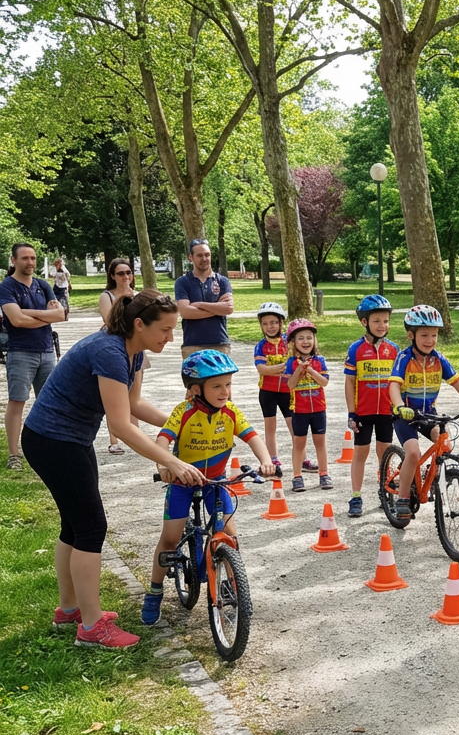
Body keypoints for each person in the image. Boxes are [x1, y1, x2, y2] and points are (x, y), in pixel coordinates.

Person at [21, 290, 207, 649]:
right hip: (53, 441)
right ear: (139, 324)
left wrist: (182, 423)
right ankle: (91, 628)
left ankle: (70, 610)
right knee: (92, 527)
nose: (171, 338)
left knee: (75, 526)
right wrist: (170, 460)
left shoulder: (132, 352)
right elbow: (120, 426)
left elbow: (134, 404)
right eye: (165, 330)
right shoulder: (109, 352)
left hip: (67, 440)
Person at [144, 350, 274, 626]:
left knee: (230, 534)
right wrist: (163, 466)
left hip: (216, 482)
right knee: (170, 539)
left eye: (228, 384)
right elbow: (162, 441)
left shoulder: (231, 412)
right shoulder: (184, 411)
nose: (225, 391)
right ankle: (154, 591)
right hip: (182, 483)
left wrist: (266, 461)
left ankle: (228, 580)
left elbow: (253, 437)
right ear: (195, 389)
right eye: (217, 386)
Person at [387, 305, 459, 526]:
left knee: (446, 444)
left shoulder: (438, 359)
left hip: (428, 414)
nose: (430, 340)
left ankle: (431, 477)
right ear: (411, 335)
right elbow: (393, 386)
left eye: (434, 335)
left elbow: (457, 382)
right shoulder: (404, 358)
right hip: (405, 415)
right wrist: (399, 405)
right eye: (424, 335)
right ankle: (403, 497)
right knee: (412, 453)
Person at [0, 242, 62, 470]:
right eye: (25, 258)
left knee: (49, 402)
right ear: (13, 260)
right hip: (20, 352)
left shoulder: (43, 285)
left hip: (46, 351)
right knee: (17, 401)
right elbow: (16, 321)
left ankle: (51, 449)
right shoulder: (7, 287)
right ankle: (14, 455)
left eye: (33, 258)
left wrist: (26, 312)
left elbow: (61, 315)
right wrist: (46, 316)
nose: (30, 262)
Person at [344, 295, 398, 517]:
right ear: (364, 322)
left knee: (384, 453)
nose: (382, 325)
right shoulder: (356, 349)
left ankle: (386, 492)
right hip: (363, 412)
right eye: (376, 321)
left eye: (385, 321)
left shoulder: (394, 349)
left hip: (386, 411)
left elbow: (398, 383)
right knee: (360, 452)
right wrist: (351, 412)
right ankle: (356, 496)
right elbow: (349, 382)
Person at [99, 259, 146, 454]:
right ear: (112, 276)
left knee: (134, 395)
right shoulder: (107, 296)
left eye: (128, 272)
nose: (126, 277)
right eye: (121, 273)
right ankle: (114, 440)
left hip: (136, 349)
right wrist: (124, 300)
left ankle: (135, 437)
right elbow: (111, 322)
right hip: (116, 350)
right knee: (116, 396)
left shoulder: (137, 296)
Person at [285, 319, 332, 492]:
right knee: (299, 443)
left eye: (309, 338)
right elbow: (290, 384)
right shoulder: (290, 362)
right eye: (301, 338)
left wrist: (311, 371)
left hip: (319, 409)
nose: (306, 342)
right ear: (293, 342)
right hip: (300, 410)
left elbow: (324, 382)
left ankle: (324, 474)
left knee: (320, 442)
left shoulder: (320, 360)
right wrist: (299, 369)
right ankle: (297, 476)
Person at [175, 238, 233, 359]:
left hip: (220, 343)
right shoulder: (183, 282)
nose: (204, 259)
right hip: (192, 345)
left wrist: (199, 304)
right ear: (191, 257)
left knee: (223, 379)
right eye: (200, 255)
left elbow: (228, 308)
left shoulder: (222, 281)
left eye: (207, 255)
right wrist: (217, 309)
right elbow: (185, 312)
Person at [253, 301, 294, 470]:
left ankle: (303, 458)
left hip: (287, 391)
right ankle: (273, 458)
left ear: (281, 323)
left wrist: (274, 369)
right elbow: (262, 369)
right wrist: (283, 367)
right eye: (265, 324)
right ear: (261, 326)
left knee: (295, 427)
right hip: (267, 392)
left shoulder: (289, 343)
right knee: (270, 427)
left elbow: (295, 363)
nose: (270, 327)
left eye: (274, 323)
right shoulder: (261, 346)